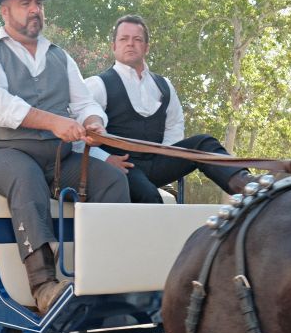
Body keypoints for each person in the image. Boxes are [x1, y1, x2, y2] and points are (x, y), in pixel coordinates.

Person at [0, 0, 129, 314]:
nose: (34, 10)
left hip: (55, 159)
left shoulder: (60, 55)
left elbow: (84, 102)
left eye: (38, 3)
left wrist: (91, 122)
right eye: (25, 2)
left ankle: (102, 282)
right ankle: (43, 286)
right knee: (25, 177)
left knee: (113, 180)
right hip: (1, 154)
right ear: (4, 11)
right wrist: (54, 122)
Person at [84, 14, 251, 203]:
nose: (130, 44)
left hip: (157, 162)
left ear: (146, 47)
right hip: (121, 166)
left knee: (203, 143)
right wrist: (105, 160)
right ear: (114, 46)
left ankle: (248, 187)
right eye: (124, 39)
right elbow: (79, 136)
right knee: (150, 195)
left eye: (137, 39)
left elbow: (174, 125)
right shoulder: (97, 85)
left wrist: (167, 156)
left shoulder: (164, 85)